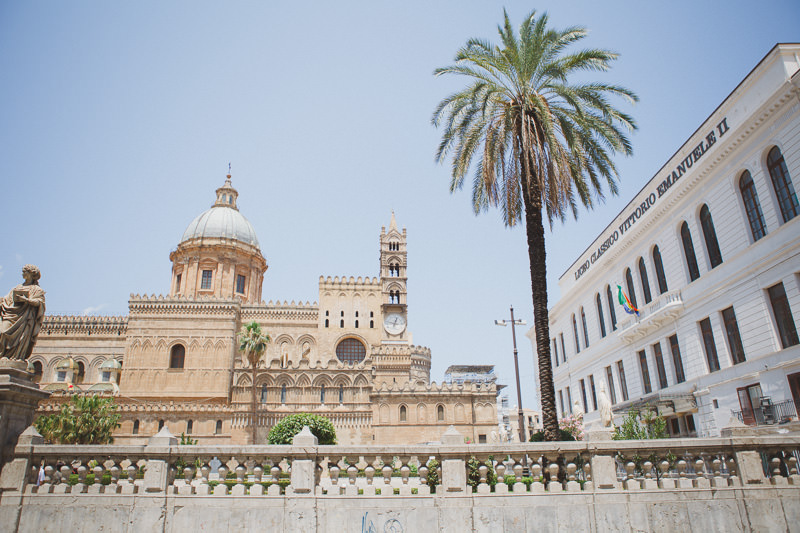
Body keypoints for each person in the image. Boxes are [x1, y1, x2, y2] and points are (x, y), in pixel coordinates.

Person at [0, 265, 45, 360]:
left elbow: (39, 302)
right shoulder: (17, 288)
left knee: (22, 338)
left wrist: (27, 300)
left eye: (25, 272)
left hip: (25, 318)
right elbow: (7, 300)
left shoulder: (37, 290)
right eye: (23, 271)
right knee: (3, 331)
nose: (23, 273)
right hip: (12, 314)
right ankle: (4, 355)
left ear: (31, 274)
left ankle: (15, 357)